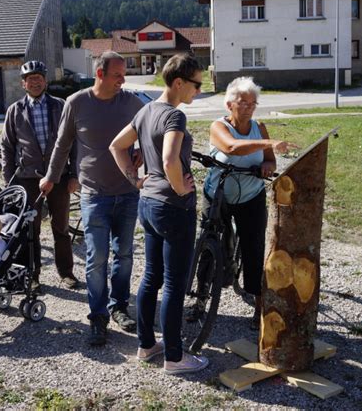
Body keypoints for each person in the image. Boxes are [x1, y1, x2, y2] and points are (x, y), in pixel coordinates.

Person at [110, 53, 209, 375]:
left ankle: (146, 345)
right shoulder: (173, 117)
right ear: (179, 82)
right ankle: (175, 358)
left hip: (148, 204)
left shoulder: (146, 111)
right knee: (174, 283)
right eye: (196, 84)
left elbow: (116, 146)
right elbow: (169, 160)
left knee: (151, 277)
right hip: (173, 208)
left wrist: (135, 181)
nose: (199, 90)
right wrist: (181, 189)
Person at [39, 51, 144, 346]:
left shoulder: (132, 103)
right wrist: (51, 177)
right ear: (100, 74)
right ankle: (98, 316)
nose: (123, 81)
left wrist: (142, 154)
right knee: (96, 257)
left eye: (124, 75)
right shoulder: (77, 103)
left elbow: (153, 133)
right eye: (117, 75)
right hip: (94, 194)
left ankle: (119, 307)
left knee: (123, 256)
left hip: (127, 192)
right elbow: (62, 145)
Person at [203, 76, 298, 329]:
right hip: (219, 194)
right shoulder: (218, 127)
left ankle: (259, 305)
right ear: (229, 105)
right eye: (242, 102)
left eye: (252, 103)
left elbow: (270, 162)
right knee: (208, 243)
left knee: (254, 249)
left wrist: (267, 165)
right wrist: (269, 143)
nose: (248, 107)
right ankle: (200, 298)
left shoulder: (259, 127)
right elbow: (232, 147)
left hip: (250, 195)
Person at [1, 60, 79, 292]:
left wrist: (74, 174)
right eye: (30, 79)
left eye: (39, 78)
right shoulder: (15, 111)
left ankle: (66, 273)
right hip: (27, 178)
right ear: (23, 84)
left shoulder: (61, 106)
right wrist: (9, 183)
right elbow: (7, 147)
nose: (35, 82)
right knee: (29, 230)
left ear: (45, 81)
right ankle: (31, 276)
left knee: (61, 227)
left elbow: (74, 144)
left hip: (59, 177)